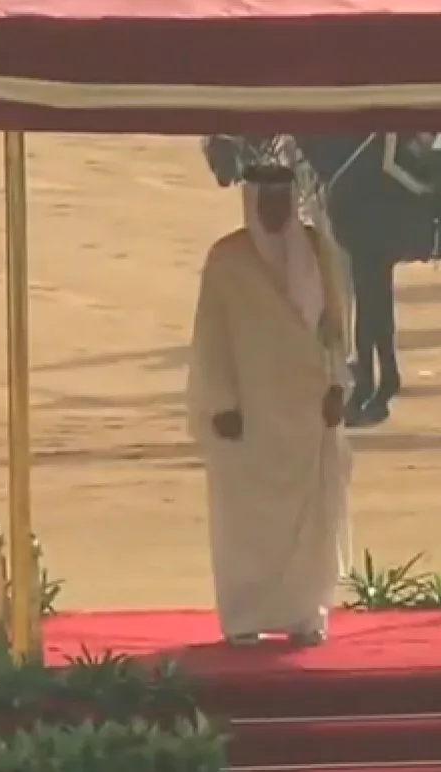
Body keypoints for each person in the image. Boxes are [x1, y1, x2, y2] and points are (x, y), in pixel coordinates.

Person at [186, 161, 353, 647]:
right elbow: (210, 338)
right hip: (250, 416)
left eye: (283, 198)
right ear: (252, 201)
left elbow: (336, 329)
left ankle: (304, 612)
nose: (276, 209)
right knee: (248, 523)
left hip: (307, 411)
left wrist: (337, 385)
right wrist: (221, 401)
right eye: (267, 200)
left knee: (311, 518)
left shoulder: (318, 251)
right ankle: (244, 616)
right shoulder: (227, 260)